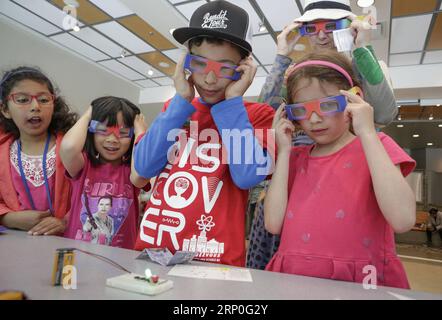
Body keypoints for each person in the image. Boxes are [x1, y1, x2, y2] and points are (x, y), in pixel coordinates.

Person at [247, 0, 398, 269]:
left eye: (331, 26)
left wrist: (362, 47)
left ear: (349, 26)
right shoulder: (294, 74)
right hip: (295, 172)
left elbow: (384, 113)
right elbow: (266, 114)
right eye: (311, 28)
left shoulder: (366, 65)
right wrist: (282, 55)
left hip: (352, 174)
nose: (320, 34)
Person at [133, 0, 275, 267]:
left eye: (224, 68)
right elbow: (143, 167)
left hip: (215, 259)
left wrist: (233, 103)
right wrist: (180, 101)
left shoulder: (257, 115)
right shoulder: (175, 109)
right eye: (200, 64)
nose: (209, 80)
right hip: (153, 252)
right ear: (186, 63)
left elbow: (247, 177)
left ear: (244, 68)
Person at [264, 51, 416, 289]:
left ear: (354, 99)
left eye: (327, 105)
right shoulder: (293, 158)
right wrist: (282, 151)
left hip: (360, 281)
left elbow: (403, 219)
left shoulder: (377, 146)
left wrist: (367, 132)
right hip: (295, 278)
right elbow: (273, 224)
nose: (314, 119)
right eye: (301, 110)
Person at [61, 97, 150, 249]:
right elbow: (69, 147)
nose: (112, 139)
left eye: (123, 133)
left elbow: (140, 177)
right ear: (91, 131)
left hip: (121, 258)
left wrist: (141, 133)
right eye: (102, 130)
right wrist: (90, 112)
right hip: (77, 255)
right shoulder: (83, 165)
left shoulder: (131, 171)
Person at [0, 67, 77, 235]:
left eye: (43, 99)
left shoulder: (74, 148)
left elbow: (92, 193)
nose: (35, 106)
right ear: (5, 110)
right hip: (16, 245)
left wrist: (65, 221)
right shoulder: (2, 153)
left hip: (67, 244)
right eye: (22, 100)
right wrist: (8, 218)